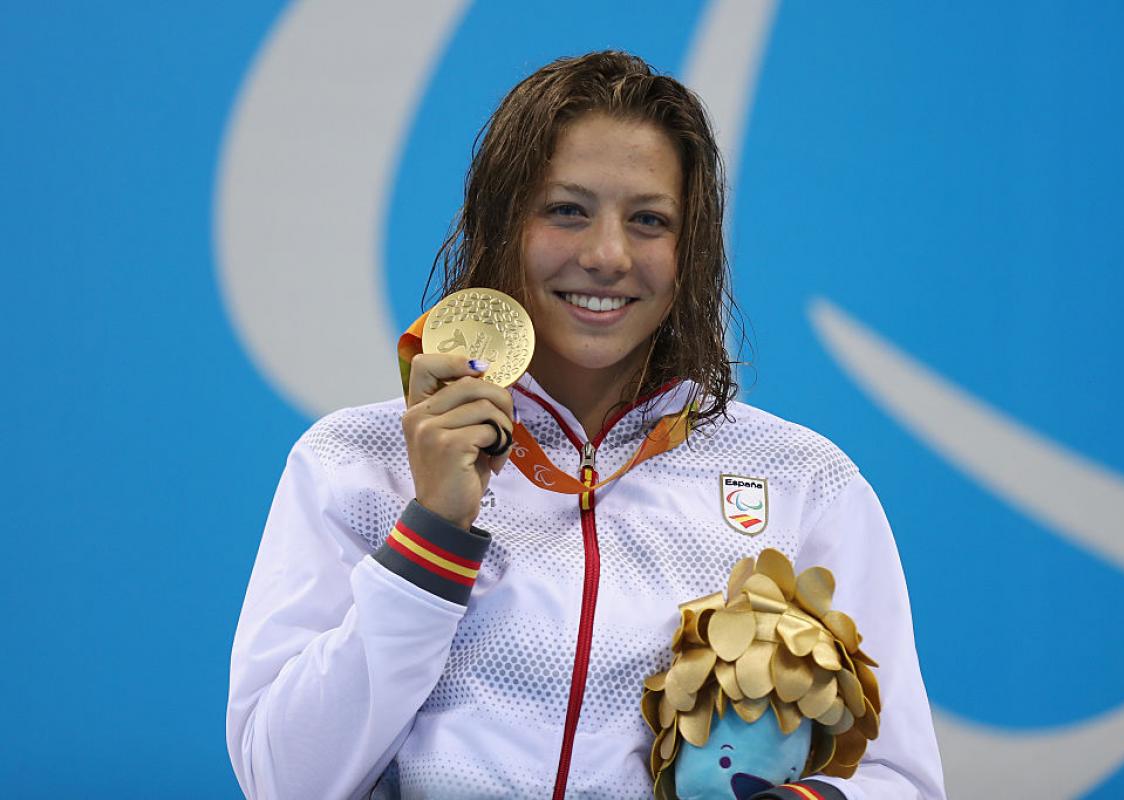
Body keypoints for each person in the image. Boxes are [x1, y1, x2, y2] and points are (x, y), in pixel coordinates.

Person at [227, 51, 946, 800]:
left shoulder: (803, 483)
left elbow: (898, 780)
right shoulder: (353, 463)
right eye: (566, 210)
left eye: (649, 221)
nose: (607, 255)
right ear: (500, 225)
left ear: (690, 252)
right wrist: (433, 533)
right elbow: (284, 779)